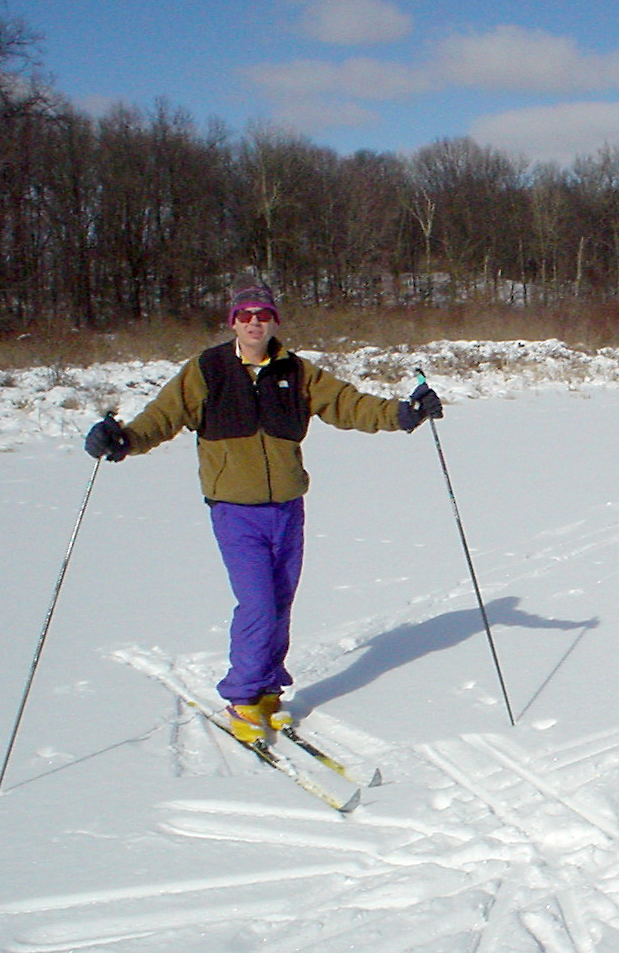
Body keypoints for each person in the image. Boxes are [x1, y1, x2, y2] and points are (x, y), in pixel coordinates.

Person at [84, 281, 443, 743]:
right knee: (256, 601)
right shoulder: (207, 370)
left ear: (275, 320)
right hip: (235, 508)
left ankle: (269, 687)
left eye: (263, 313)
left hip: (287, 507)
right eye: (245, 314)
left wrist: (403, 413)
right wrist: (123, 440)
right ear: (233, 320)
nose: (255, 322)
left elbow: (347, 404)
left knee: (279, 599)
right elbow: (163, 416)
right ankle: (242, 695)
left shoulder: (296, 371)